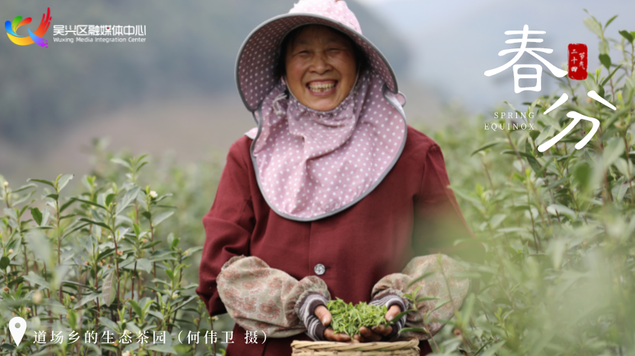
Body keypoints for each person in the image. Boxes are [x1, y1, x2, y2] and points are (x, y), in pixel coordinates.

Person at [196, 1, 485, 355]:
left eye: (335, 50)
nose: (320, 65)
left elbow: (454, 257)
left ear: (360, 64)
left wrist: (398, 303)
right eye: (303, 52)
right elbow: (218, 270)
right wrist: (299, 305)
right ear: (283, 71)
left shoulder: (412, 153)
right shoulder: (251, 155)